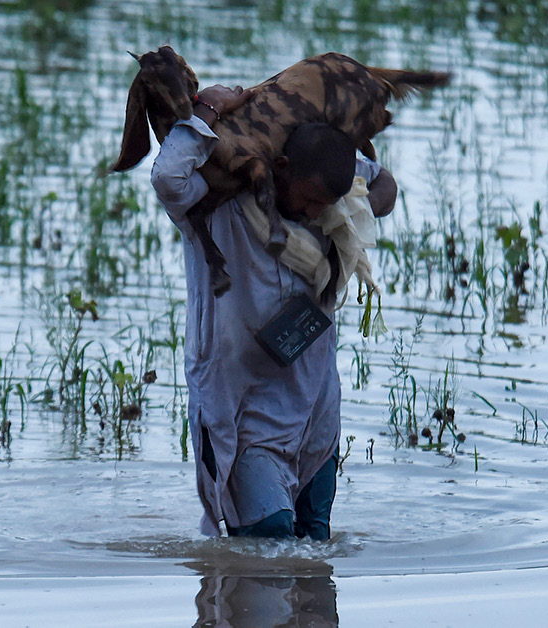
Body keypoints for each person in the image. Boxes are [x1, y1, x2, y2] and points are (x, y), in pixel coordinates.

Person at [151, 84, 397, 540]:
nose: (312, 213)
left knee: (315, 549)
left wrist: (359, 205)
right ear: (280, 168)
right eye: (306, 200)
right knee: (269, 544)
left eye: (324, 205)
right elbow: (168, 177)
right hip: (242, 414)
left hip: (315, 410)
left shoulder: (331, 203)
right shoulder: (217, 201)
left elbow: (384, 183)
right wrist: (208, 110)